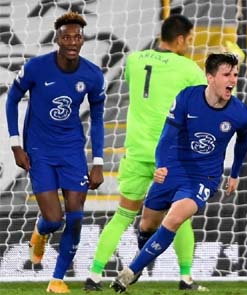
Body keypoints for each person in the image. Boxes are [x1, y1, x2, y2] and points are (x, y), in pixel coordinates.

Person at [109, 52, 247, 293]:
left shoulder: (242, 114)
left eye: (235, 75)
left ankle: (129, 272)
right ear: (210, 77)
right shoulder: (187, 98)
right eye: (226, 74)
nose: (232, 80)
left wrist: (235, 173)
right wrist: (161, 165)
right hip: (174, 168)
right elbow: (167, 137)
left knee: (175, 218)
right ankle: (142, 263)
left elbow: (242, 143)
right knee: (146, 225)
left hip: (204, 177)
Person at [84, 14, 209, 292]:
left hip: (138, 151)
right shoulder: (188, 69)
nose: (189, 44)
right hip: (172, 155)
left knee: (123, 215)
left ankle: (93, 276)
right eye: (189, 39)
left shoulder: (135, 61)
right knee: (179, 214)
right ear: (180, 39)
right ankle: (186, 278)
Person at [5, 11, 105, 294]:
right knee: (53, 219)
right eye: (67, 37)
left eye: (78, 36)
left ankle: (57, 279)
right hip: (39, 150)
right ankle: (40, 232)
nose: (73, 41)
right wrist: (15, 144)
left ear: (82, 39)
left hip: (72, 150)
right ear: (58, 39)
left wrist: (97, 161)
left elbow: (97, 119)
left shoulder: (92, 75)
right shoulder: (36, 68)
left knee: (75, 217)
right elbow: (12, 100)